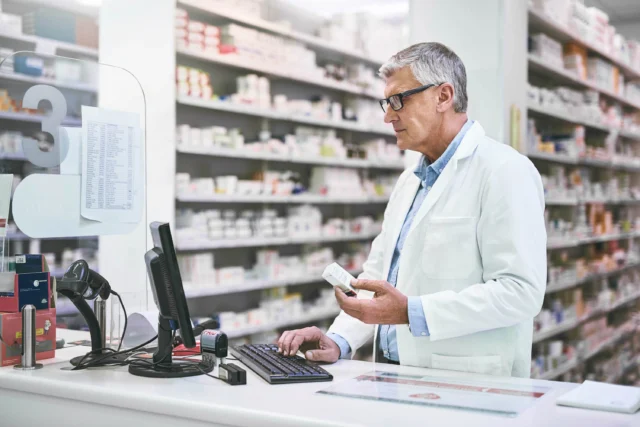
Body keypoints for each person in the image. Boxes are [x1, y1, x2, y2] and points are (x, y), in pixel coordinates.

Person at [277, 42, 546, 378]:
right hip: (393, 373)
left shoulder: (504, 170)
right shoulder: (410, 181)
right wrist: (338, 340)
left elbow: (520, 293)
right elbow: (378, 276)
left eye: (398, 100)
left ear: (444, 97)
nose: (388, 116)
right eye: (386, 102)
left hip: (466, 380)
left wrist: (411, 312)